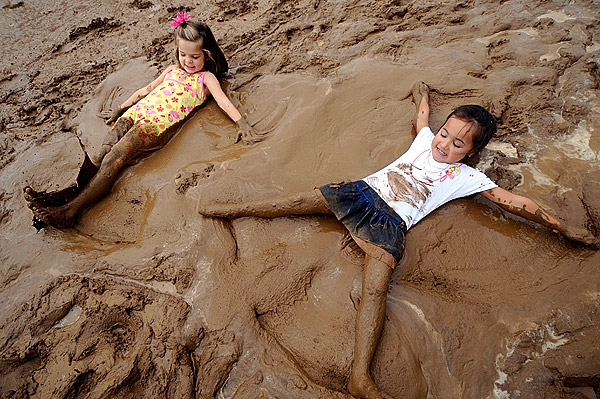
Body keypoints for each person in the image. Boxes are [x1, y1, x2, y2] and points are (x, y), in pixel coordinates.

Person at [194, 82, 598, 399]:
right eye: (445, 134)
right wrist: (422, 94)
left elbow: (517, 204)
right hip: (362, 192)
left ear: (471, 154)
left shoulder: (468, 178)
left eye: (457, 144)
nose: (444, 144)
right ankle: (231, 209)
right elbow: (422, 117)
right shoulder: (426, 139)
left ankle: (360, 376)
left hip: (391, 224)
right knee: (298, 201)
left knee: (375, 290)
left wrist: (564, 227)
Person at [25, 13, 255, 228]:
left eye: (195, 56)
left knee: (113, 160)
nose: (188, 61)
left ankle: (69, 212)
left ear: (207, 54)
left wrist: (240, 122)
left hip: (153, 127)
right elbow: (145, 90)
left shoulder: (206, 78)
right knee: (100, 153)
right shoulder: (171, 70)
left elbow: (223, 101)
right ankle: (68, 195)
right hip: (135, 115)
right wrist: (120, 108)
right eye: (182, 54)